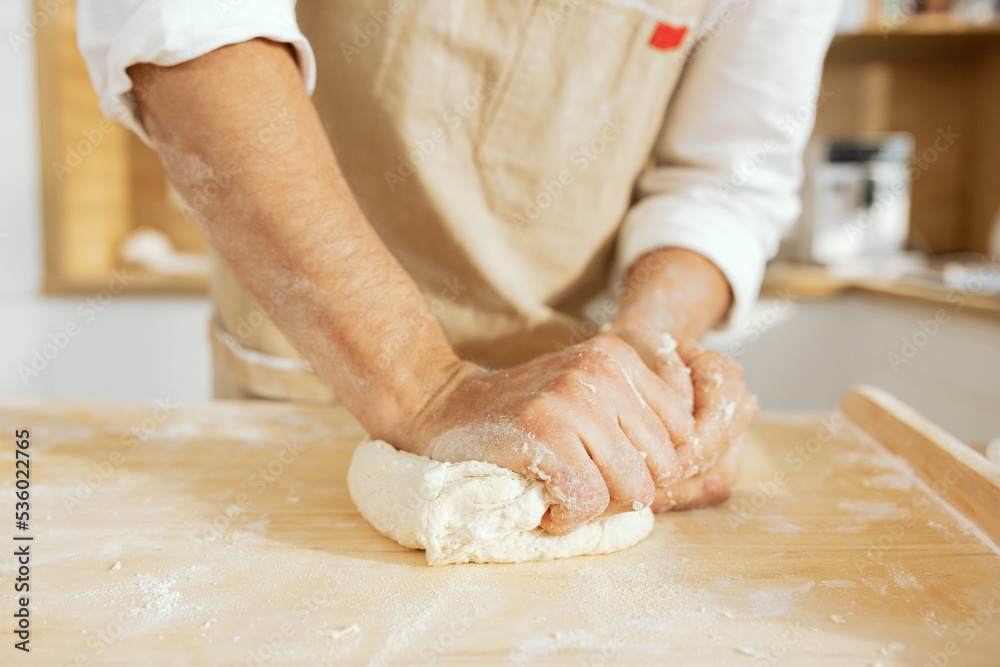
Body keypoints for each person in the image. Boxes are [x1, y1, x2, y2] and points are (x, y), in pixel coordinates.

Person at [77, 0, 839, 535]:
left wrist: (645, 368)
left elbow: (725, 174)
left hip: (578, 427)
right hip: (301, 371)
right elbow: (190, 29)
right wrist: (426, 385)